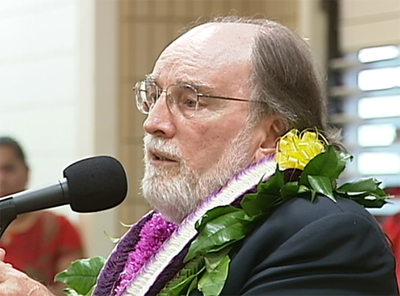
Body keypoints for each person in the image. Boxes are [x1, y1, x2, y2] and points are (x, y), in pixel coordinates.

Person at [0, 16, 398, 296]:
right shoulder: (170, 233)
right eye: (153, 96)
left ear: (271, 132)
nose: (153, 123)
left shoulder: (326, 236)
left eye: (190, 101)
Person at [0, 137, 84, 296]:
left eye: (9, 169)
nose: (1, 179)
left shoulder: (59, 227)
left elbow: (72, 289)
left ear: (26, 171)